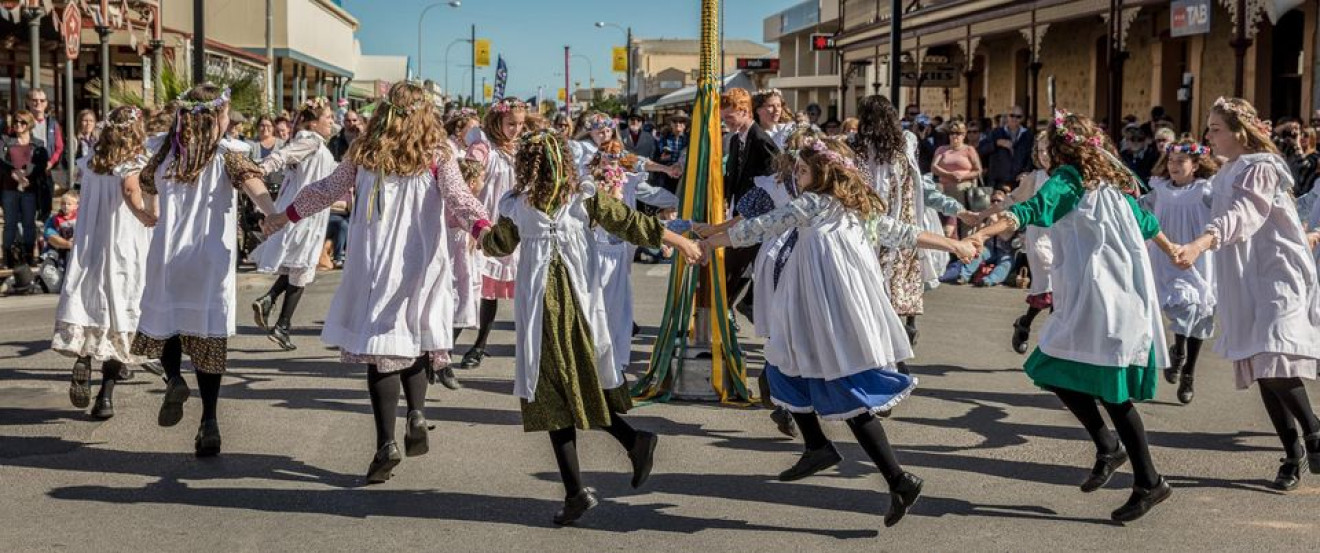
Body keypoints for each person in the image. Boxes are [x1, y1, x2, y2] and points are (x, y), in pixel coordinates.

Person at [698, 137, 976, 528]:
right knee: (785, 368)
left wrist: (709, 242)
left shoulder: (814, 203)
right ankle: (818, 447)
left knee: (838, 387)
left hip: (826, 309)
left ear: (823, 173)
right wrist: (952, 244)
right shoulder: (856, 207)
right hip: (813, 305)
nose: (797, 176)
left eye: (802, 170)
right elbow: (904, 232)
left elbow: (760, 227)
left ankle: (897, 479)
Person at [262, 81, 491, 483]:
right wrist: (484, 227)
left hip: (375, 263)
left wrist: (285, 215)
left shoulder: (364, 152)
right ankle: (416, 413)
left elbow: (325, 190)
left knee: (383, 349)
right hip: (422, 262)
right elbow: (459, 198)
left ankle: (386, 442)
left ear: (385, 112)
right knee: (416, 336)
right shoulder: (437, 154)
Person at [479, 128, 702, 525]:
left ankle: (599, 471)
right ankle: (608, 463)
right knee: (565, 393)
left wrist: (478, 232)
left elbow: (499, 244)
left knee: (557, 395)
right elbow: (632, 223)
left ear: (526, 166)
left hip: (550, 317)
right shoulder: (578, 198)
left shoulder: (527, 204)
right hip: (573, 314)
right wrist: (680, 241)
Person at [970, 109, 1177, 523]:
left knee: (1101, 389)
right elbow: (1147, 223)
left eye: (1049, 145)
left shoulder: (1069, 180)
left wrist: (981, 233)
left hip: (1102, 301)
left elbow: (1031, 210)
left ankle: (1145, 477)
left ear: (1064, 149)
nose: (1044, 153)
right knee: (1061, 371)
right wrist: (1175, 252)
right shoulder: (1111, 184)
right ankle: (1114, 451)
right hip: (1111, 299)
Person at [1174, 97, 1320, 490]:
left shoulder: (1261, 166)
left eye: (1215, 128)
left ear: (1240, 132)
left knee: (1272, 356)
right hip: (1243, 275)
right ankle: (1293, 454)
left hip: (1277, 272)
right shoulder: (1227, 170)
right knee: (1261, 364)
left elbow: (1245, 215)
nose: (1208, 135)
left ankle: (1313, 432)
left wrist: (1202, 243)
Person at [130, 84, 280, 457]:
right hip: (209, 261)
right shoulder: (227, 154)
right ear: (215, 117)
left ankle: (174, 378)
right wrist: (272, 213)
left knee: (168, 324)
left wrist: (150, 211)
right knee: (209, 339)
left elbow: (142, 182)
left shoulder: (166, 153)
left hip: (168, 256)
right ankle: (209, 421)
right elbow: (253, 182)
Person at [53, 106, 156, 419]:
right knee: (119, 313)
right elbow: (129, 188)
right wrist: (145, 214)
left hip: (91, 244)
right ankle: (105, 397)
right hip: (123, 244)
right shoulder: (134, 161)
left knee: (91, 305)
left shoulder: (92, 162)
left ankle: (83, 360)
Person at [249, 98, 340, 351]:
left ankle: (271, 303)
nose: (332, 122)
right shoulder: (310, 141)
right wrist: (261, 169)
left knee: (298, 267)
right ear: (313, 123)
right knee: (303, 267)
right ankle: (282, 324)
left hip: (306, 212)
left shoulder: (314, 142)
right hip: (304, 214)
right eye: (328, 117)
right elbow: (283, 155)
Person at [587, 139, 679, 377]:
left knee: (619, 300)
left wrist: (677, 199)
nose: (611, 161)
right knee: (596, 301)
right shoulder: (590, 182)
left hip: (621, 244)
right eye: (607, 156)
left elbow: (651, 194)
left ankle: (614, 356)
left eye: (615, 157)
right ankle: (595, 354)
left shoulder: (627, 179)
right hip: (596, 247)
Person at [1142, 138, 1219, 405]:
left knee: (1197, 310)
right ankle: (1178, 352)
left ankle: (1188, 372)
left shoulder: (1205, 190)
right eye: (1171, 161)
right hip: (1165, 257)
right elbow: (1140, 209)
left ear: (1195, 165)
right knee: (1180, 306)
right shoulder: (1159, 189)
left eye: (1181, 161)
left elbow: (1227, 213)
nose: (1174, 166)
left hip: (1197, 257)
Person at [456, 97, 527, 369]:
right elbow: (466, 178)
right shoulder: (483, 146)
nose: (516, 130)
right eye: (511, 124)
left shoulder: (516, 150)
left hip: (508, 227)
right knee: (468, 288)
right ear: (498, 122)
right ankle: (442, 350)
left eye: (520, 124)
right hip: (480, 224)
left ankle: (479, 345)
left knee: (490, 292)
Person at [721, 88, 780, 323]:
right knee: (736, 268)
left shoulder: (761, 140)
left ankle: (731, 310)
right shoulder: (736, 140)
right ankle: (730, 310)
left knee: (738, 267)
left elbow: (775, 177)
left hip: (756, 217)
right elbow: (733, 176)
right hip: (739, 212)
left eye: (729, 117)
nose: (726, 122)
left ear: (745, 111)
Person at [2, 110, 52, 270]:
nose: (18, 125)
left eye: (22, 122)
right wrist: (14, 172)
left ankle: (29, 255)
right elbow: (1, 161)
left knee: (29, 223)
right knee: (10, 223)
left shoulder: (37, 144)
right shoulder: (5, 141)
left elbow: (41, 163)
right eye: (16, 121)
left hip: (30, 189)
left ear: (29, 124)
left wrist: (27, 174)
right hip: (9, 188)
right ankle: (8, 257)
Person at [931, 121, 983, 236]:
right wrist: (948, 174)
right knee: (947, 226)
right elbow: (934, 167)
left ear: (964, 135)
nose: (955, 136)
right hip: (945, 192)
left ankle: (966, 245)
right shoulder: (942, 149)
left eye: (958, 133)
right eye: (952, 133)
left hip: (965, 192)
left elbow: (978, 170)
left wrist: (963, 176)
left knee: (966, 224)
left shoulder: (969, 150)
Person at [981, 105, 1034, 189]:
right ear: (1007, 117)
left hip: (1019, 183)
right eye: (1012, 115)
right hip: (997, 184)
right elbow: (981, 150)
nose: (1014, 119)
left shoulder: (1028, 135)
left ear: (1022, 119)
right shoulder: (996, 133)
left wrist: (1026, 172)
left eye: (1018, 117)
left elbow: (1031, 157)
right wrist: (996, 143)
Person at [27, 90, 64, 172]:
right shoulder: (22, 122)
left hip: (48, 168)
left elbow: (59, 147)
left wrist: (51, 162)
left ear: (46, 103)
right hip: (28, 168)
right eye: (34, 100)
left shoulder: (53, 123)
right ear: (28, 102)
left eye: (42, 100)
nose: (38, 103)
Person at [246, 115, 287, 190]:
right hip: (257, 186)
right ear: (257, 127)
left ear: (273, 128)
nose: (265, 128)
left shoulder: (282, 144)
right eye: (262, 125)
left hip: (279, 186)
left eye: (268, 126)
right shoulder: (250, 144)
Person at [42, 191, 78, 269]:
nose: (66, 206)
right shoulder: (54, 219)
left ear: (76, 206)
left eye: (69, 204)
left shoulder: (81, 218)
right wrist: (68, 244)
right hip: (60, 249)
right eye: (63, 204)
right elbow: (49, 234)